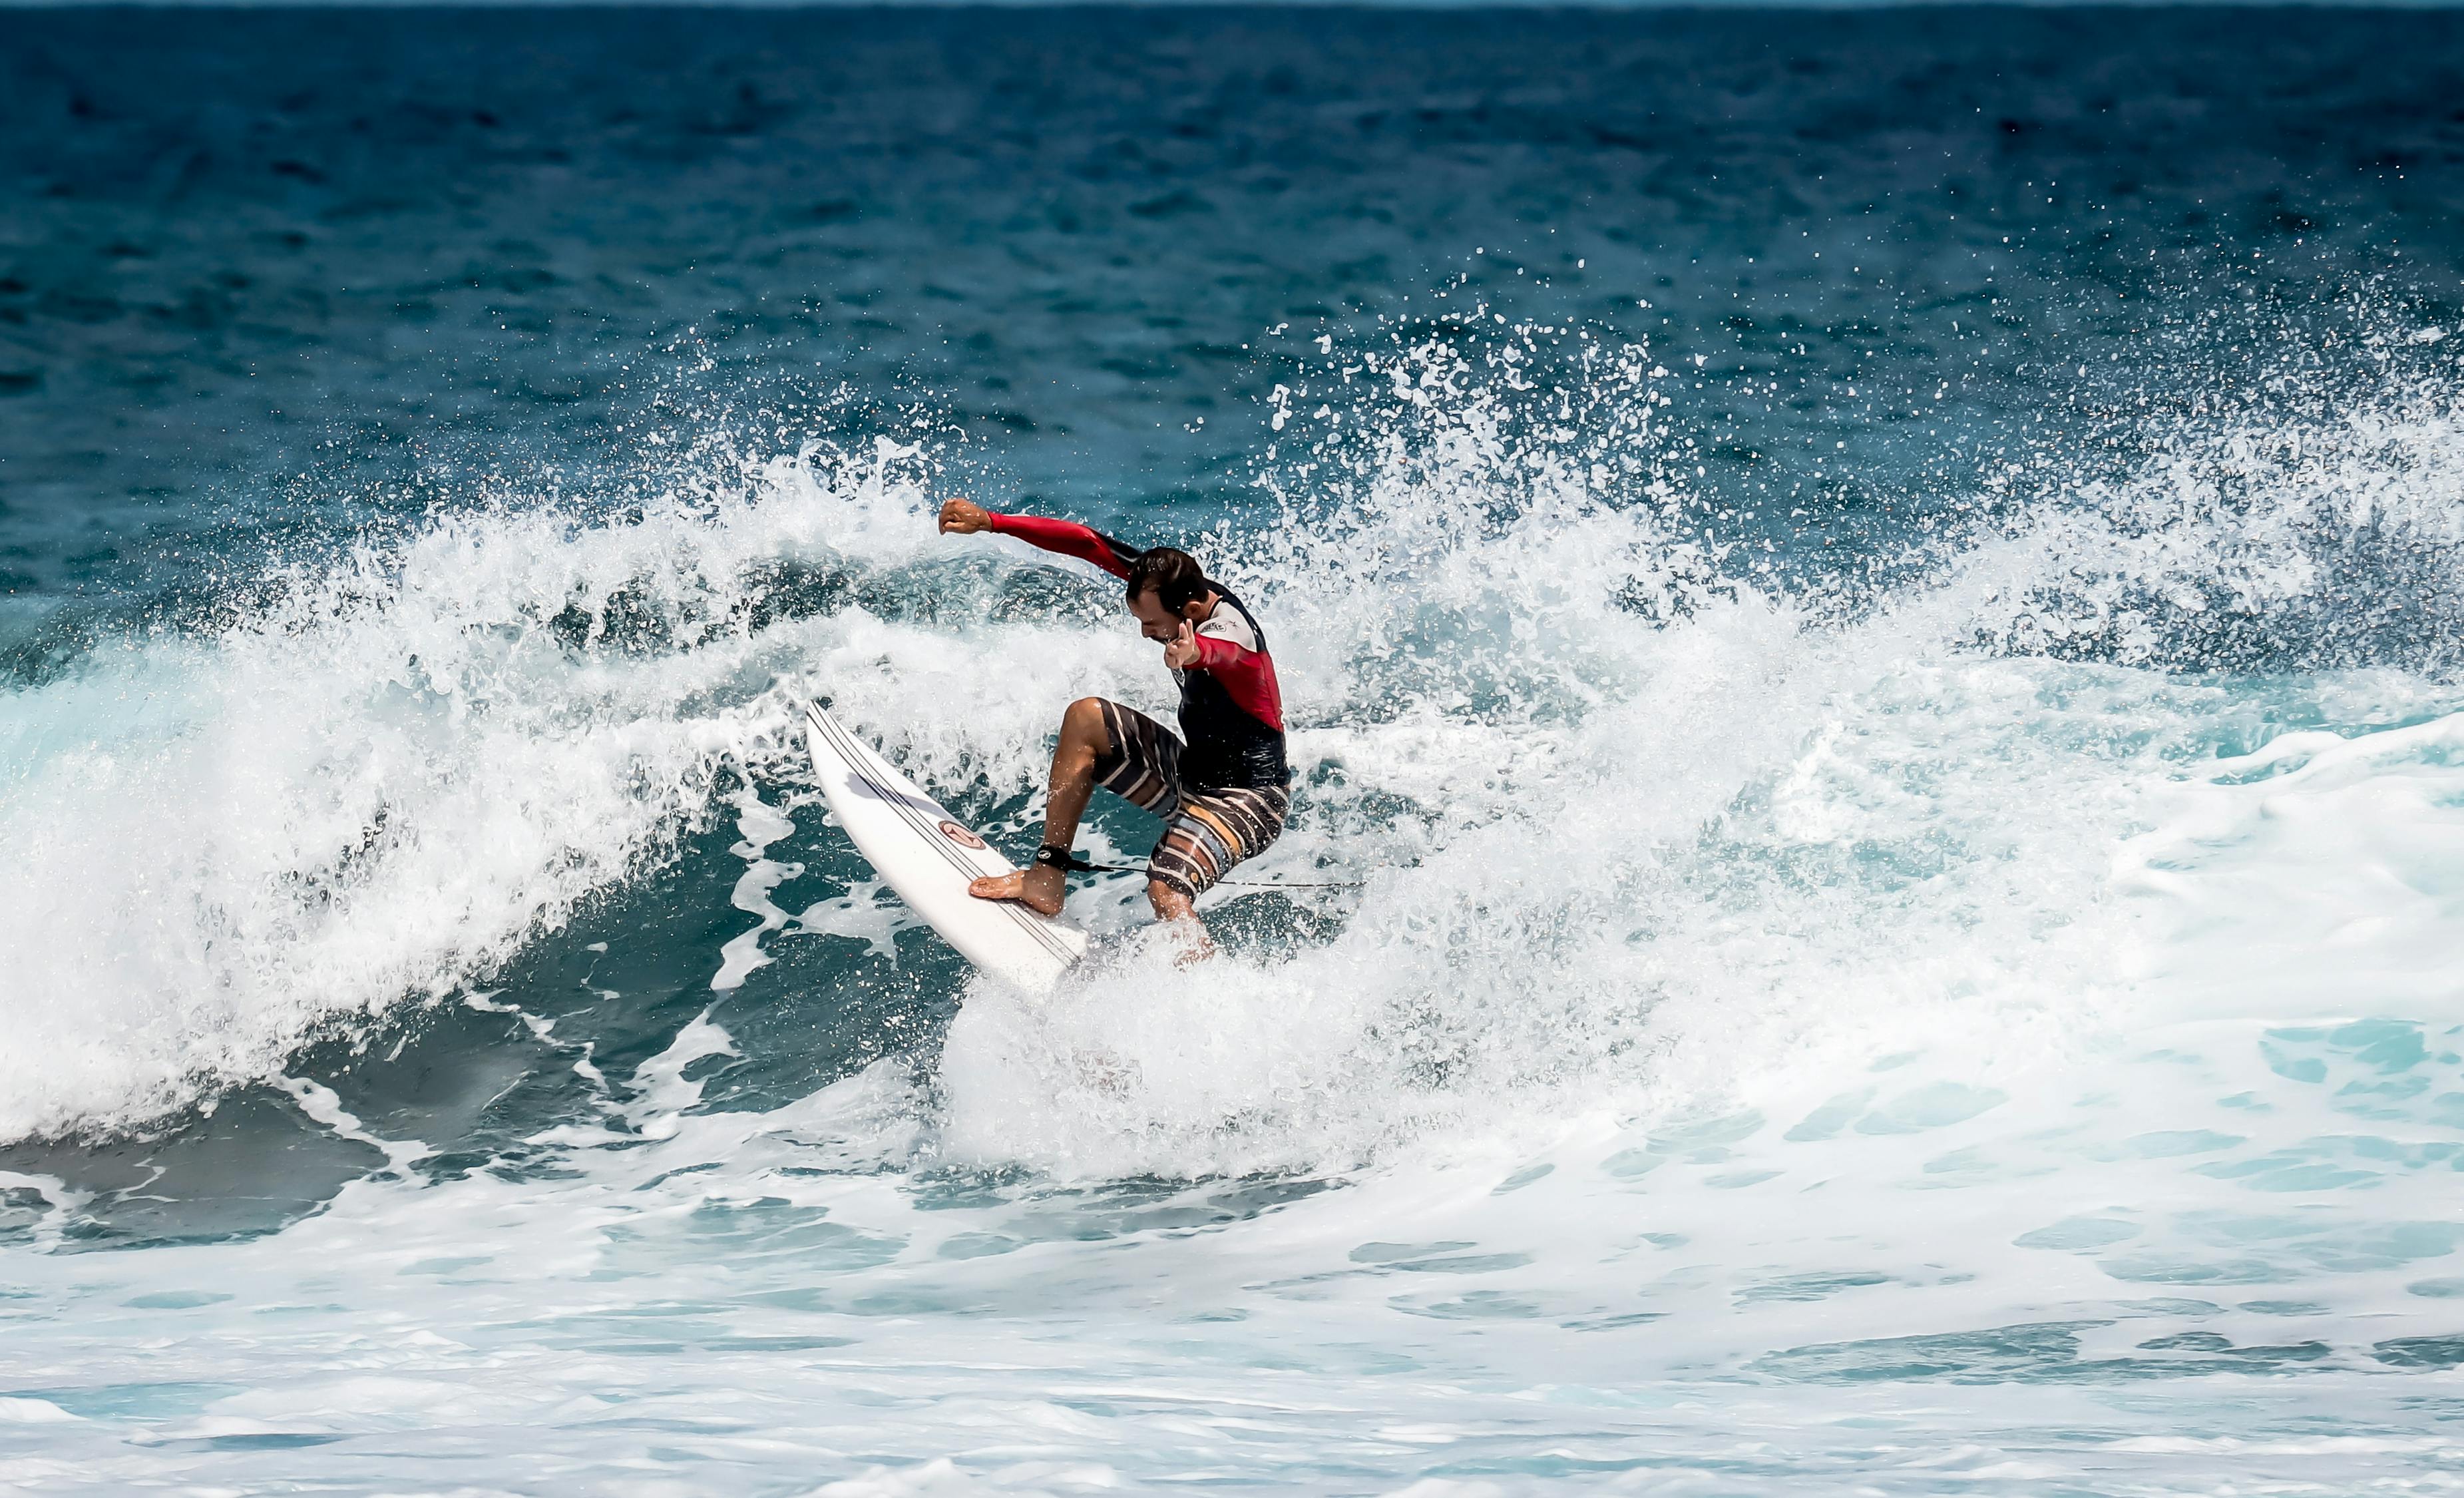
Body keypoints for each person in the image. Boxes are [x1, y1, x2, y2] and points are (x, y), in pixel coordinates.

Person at [937, 497, 1289, 937]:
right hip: (1191, 777)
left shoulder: (1230, 633)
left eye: (1153, 624)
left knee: (1166, 891)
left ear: (1192, 613)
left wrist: (1196, 653)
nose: (1146, 632)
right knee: (1086, 718)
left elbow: (1229, 656)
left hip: (1249, 802)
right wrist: (994, 523)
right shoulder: (1175, 584)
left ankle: (1204, 988)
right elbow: (1089, 544)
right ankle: (1046, 877)